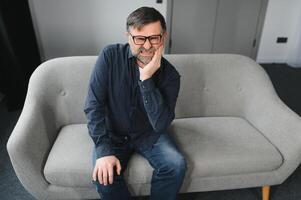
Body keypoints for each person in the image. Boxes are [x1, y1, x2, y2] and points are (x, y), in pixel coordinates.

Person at [84, 6, 187, 200]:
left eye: (154, 38)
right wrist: (103, 150)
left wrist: (146, 79)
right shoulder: (110, 56)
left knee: (176, 164)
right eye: (140, 38)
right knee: (104, 177)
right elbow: (93, 105)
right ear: (128, 36)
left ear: (163, 38)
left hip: (149, 134)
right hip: (112, 134)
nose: (147, 46)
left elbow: (161, 124)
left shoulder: (171, 75)